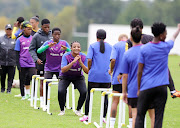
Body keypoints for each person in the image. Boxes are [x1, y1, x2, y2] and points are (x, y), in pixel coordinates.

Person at [135, 22, 180, 128]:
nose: (166, 35)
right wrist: (178, 29)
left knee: (140, 115)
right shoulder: (165, 47)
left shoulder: (144, 49)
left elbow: (140, 71)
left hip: (146, 87)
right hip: (161, 88)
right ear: (161, 35)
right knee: (158, 117)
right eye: (165, 33)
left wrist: (138, 88)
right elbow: (173, 38)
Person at [127, 18, 180, 98]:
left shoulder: (129, 41)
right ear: (142, 28)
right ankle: (172, 90)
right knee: (165, 68)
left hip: (139, 69)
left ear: (131, 28)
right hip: (153, 68)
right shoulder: (150, 38)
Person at [121, 27, 154, 128]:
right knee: (152, 116)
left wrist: (124, 92)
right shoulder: (149, 50)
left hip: (133, 89)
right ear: (142, 37)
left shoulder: (127, 54)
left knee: (135, 115)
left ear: (130, 38)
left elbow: (125, 75)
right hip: (148, 87)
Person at [80, 29, 112, 122]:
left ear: (96, 36)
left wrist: (89, 68)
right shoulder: (110, 47)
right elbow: (113, 60)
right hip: (106, 77)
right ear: (105, 37)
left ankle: (86, 116)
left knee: (89, 96)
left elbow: (89, 60)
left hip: (94, 76)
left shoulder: (92, 46)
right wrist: (111, 70)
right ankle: (103, 118)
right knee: (105, 97)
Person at [37, 27, 70, 107]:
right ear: (52, 35)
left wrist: (67, 49)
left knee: (62, 87)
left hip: (60, 68)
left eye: (59, 34)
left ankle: (63, 104)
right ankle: (45, 103)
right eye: (55, 34)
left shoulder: (64, 43)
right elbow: (39, 51)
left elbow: (72, 52)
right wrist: (47, 46)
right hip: (49, 68)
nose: (57, 36)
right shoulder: (48, 43)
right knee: (46, 85)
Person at [58, 41, 87, 116]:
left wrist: (80, 62)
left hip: (78, 76)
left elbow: (87, 71)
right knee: (61, 91)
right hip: (65, 76)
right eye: (74, 47)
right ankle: (62, 110)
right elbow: (63, 69)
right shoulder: (66, 56)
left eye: (78, 47)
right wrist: (73, 62)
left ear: (80, 48)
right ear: (71, 48)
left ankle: (78, 110)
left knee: (84, 91)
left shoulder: (83, 56)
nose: (76, 48)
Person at [29, 19, 52, 107]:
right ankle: (42, 100)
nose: (47, 29)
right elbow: (31, 49)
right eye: (45, 27)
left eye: (48, 27)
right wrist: (36, 59)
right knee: (42, 81)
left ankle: (47, 99)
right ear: (41, 26)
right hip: (40, 62)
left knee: (49, 82)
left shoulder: (52, 35)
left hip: (51, 63)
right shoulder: (36, 36)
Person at [108, 34, 128, 127]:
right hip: (129, 78)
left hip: (117, 78)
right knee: (131, 103)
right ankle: (132, 124)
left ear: (119, 39)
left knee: (115, 101)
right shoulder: (131, 44)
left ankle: (112, 125)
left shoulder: (116, 45)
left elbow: (113, 60)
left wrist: (111, 70)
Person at [14, 21, 36, 100]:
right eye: (28, 29)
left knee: (32, 77)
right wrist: (18, 65)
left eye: (31, 29)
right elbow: (17, 53)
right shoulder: (19, 40)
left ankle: (32, 95)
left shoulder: (33, 39)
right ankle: (23, 95)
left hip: (31, 63)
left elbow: (35, 50)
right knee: (22, 79)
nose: (30, 30)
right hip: (22, 63)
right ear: (23, 29)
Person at [0, 24, 16, 93]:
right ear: (5, 30)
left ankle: (9, 89)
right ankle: (2, 89)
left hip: (12, 62)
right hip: (2, 61)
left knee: (10, 77)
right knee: (2, 76)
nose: (8, 31)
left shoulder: (15, 39)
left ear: (12, 30)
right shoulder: (1, 38)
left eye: (10, 29)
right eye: (7, 29)